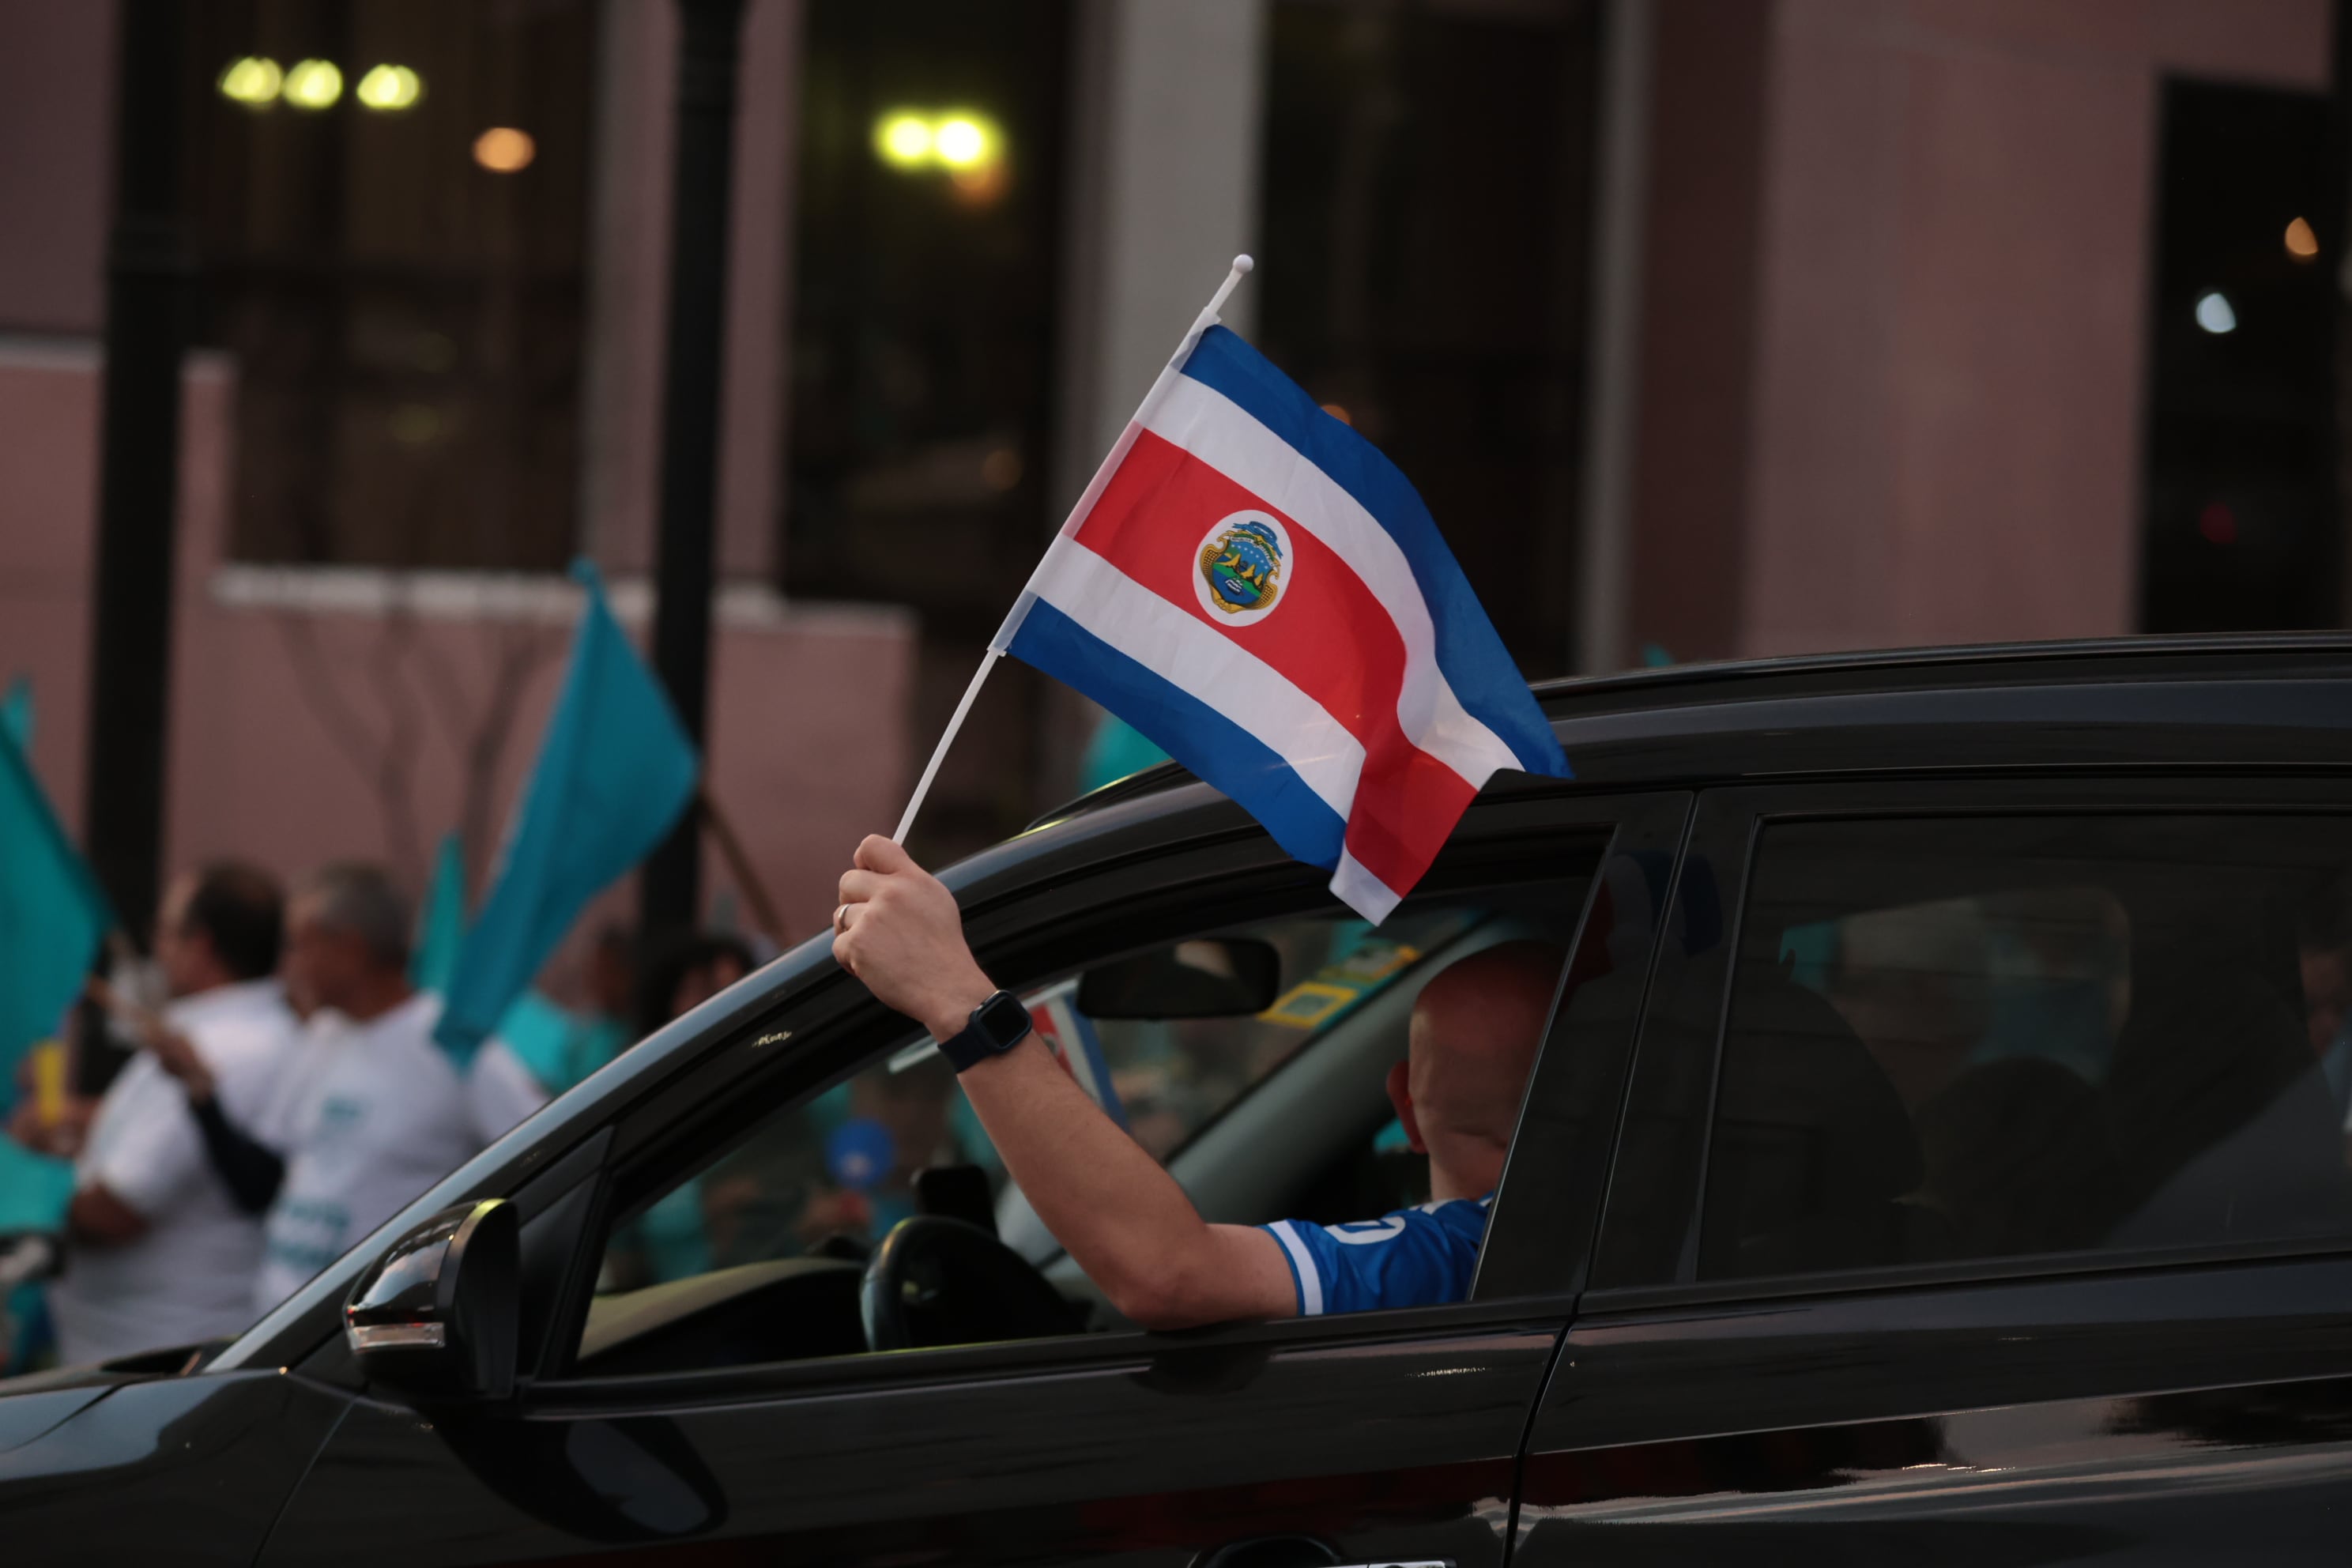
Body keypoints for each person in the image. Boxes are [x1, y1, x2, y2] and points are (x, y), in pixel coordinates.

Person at [830, 835, 1558, 1329]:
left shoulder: (1458, 1252)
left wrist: (954, 1000)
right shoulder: (1594, 1231)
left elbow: (1172, 1273)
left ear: (1402, 1101)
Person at [150, 865, 483, 1315]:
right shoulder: (323, 1036)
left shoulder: (454, 1043)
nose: (289, 967)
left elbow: (542, 1159)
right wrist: (200, 1089)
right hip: (286, 1329)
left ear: (350, 948)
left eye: (300, 945)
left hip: (378, 1332)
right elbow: (258, 1184)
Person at [42, 865, 299, 1364]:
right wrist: (82, 1121)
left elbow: (118, 1211)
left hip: (155, 1361)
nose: (156, 947)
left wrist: (25, 1191)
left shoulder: (227, 1047)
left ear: (200, 944)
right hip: (142, 1352)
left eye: (163, 930)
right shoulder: (233, 1032)